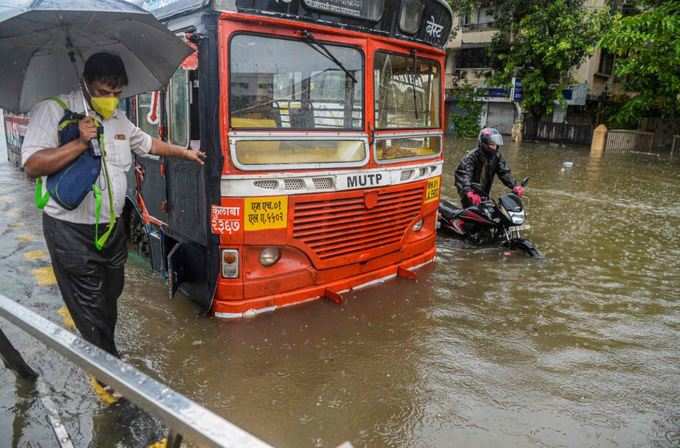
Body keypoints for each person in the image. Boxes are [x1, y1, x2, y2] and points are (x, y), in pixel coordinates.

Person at [21, 52, 205, 361]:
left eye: (117, 93)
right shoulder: (54, 110)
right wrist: (79, 143)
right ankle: (109, 376)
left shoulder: (117, 118)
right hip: (69, 231)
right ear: (86, 83)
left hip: (110, 229)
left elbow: (147, 143)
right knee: (89, 303)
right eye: (104, 92)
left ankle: (104, 349)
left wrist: (186, 153)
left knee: (111, 294)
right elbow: (32, 165)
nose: (112, 99)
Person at [454, 127, 524, 208]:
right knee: (472, 214)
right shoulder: (471, 157)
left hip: (484, 192)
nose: (495, 147)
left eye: (496, 145)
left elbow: (504, 172)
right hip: (470, 193)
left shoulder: (496, 156)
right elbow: (464, 175)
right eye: (492, 144)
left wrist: (514, 185)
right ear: (484, 144)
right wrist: (468, 192)